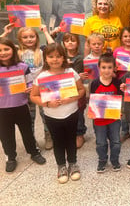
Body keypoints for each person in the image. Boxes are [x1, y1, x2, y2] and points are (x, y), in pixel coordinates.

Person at [31, 43, 85, 183]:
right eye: (51, 56)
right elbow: (33, 96)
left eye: (58, 56)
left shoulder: (71, 72)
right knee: (58, 142)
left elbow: (81, 90)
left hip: (71, 113)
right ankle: (61, 166)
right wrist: (47, 103)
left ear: (63, 58)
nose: (55, 59)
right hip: (52, 116)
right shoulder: (42, 76)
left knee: (71, 140)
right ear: (45, 58)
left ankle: (73, 163)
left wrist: (70, 99)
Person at [0, 37, 46, 173]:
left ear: (13, 50)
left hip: (20, 106)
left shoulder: (22, 67)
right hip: (2, 109)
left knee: (27, 131)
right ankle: (10, 157)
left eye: (6, 49)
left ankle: (34, 152)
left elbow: (30, 82)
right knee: (5, 135)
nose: (3, 52)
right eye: (0, 50)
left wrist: (30, 87)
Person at [5, 25, 55, 150]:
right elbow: (2, 46)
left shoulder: (42, 51)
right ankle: (31, 139)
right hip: (26, 89)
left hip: (43, 87)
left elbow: (53, 46)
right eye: (25, 37)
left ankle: (48, 135)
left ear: (37, 38)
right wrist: (5, 33)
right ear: (20, 39)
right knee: (30, 116)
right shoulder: (16, 52)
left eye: (32, 36)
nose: (29, 39)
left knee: (46, 114)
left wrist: (45, 31)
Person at [90, 53, 122, 173]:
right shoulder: (94, 83)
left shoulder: (117, 83)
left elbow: (120, 98)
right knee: (101, 142)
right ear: (99, 68)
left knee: (116, 141)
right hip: (99, 121)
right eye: (104, 67)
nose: (107, 70)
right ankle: (102, 160)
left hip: (114, 119)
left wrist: (119, 111)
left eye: (109, 67)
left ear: (114, 68)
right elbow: (92, 101)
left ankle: (115, 160)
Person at [113, 27, 130, 142]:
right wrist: (115, 68)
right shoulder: (117, 51)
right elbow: (112, 68)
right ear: (121, 38)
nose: (128, 38)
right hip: (121, 83)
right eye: (125, 36)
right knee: (123, 108)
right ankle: (125, 131)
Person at [62, 33, 87, 148]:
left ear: (78, 43)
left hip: (77, 90)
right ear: (63, 43)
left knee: (79, 112)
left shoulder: (80, 58)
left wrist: (69, 68)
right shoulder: (60, 57)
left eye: (73, 40)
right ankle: (68, 133)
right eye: (67, 41)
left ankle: (79, 134)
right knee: (66, 111)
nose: (70, 42)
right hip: (64, 89)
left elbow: (77, 76)